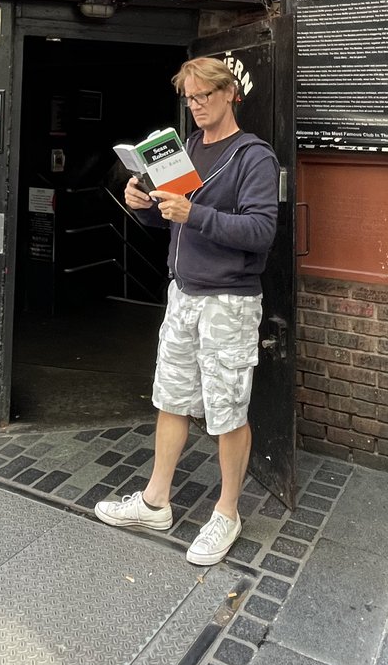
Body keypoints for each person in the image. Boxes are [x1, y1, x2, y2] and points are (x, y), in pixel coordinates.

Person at [94, 56, 279, 565]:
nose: (195, 106)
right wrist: (144, 208)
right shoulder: (188, 148)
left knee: (227, 410)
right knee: (171, 398)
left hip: (228, 300)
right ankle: (155, 501)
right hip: (182, 294)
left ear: (229, 94)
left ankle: (227, 512)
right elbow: (171, 221)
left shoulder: (253, 156)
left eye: (203, 96)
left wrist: (195, 213)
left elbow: (261, 231)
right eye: (189, 98)